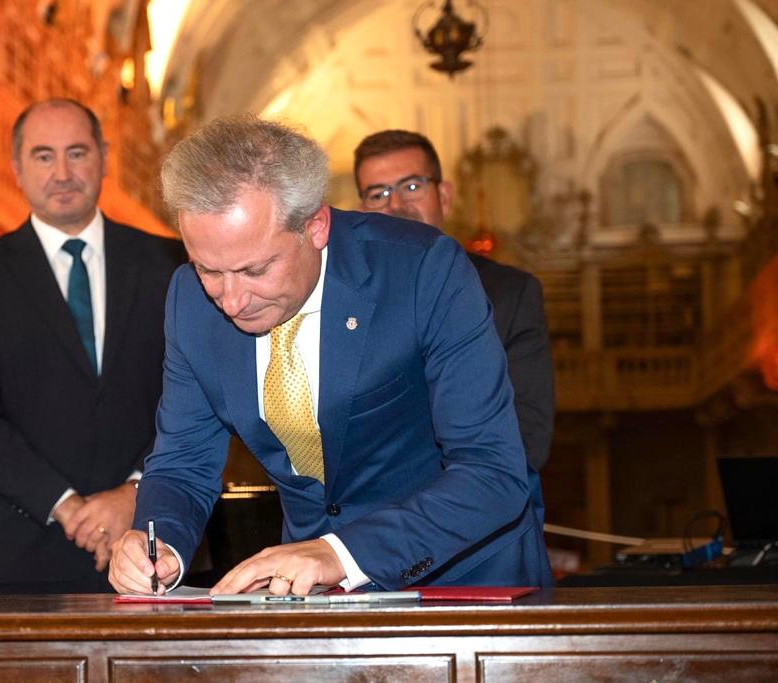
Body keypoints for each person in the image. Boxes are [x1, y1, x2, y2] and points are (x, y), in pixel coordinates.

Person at [109, 116, 552, 596]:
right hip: (313, 596)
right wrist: (159, 545)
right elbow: (182, 463)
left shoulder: (423, 270)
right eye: (209, 270)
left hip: (463, 580)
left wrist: (340, 553)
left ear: (316, 226)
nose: (231, 301)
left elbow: (492, 472)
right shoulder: (189, 299)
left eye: (255, 270)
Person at [0, 98, 184, 594]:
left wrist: (134, 492)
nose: (63, 173)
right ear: (16, 168)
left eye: (77, 153)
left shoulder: (169, 262)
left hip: (155, 544)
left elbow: (194, 398)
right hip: (20, 556)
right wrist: (68, 507)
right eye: (43, 156)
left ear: (104, 158)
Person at [352, 130, 555, 473]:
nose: (395, 205)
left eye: (411, 186)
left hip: (482, 498)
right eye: (378, 194)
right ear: (362, 212)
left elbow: (527, 438)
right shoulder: (346, 300)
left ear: (444, 197)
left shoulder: (511, 294)